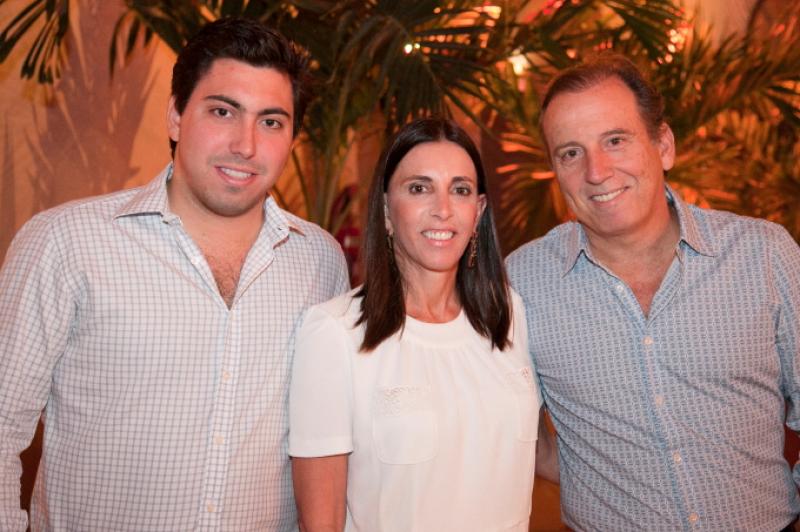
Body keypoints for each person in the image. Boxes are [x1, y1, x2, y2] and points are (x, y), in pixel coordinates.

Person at [0, 17, 348, 531]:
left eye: (271, 122)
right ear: (176, 116)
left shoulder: (320, 259)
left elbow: (327, 439)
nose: (246, 145)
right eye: (223, 111)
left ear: (292, 137)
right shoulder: (66, 243)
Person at [506, 53, 800, 531]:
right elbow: (506, 425)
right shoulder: (522, 282)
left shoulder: (763, 255)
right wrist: (587, 475)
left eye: (615, 140)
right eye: (571, 153)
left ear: (663, 145)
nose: (596, 171)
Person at [288, 117, 555, 531]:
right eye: (419, 188)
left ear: (478, 212)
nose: (443, 209)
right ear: (386, 210)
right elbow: (321, 524)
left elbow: (535, 453)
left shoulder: (510, 314)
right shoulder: (334, 333)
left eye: (460, 190)